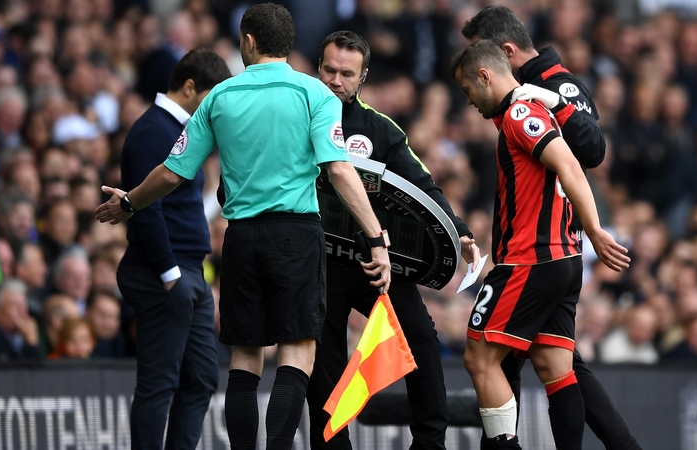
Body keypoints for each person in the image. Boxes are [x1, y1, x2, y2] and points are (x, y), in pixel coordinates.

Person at [95, 4, 392, 450]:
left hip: (241, 239)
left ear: (248, 41)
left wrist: (130, 202)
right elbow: (339, 169)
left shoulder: (219, 97)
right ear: (286, 44)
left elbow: (173, 172)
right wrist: (375, 237)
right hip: (295, 235)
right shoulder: (316, 95)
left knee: (245, 358)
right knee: (297, 350)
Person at [462, 7, 642, 450]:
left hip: (535, 252)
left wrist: (595, 229)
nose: (468, 97)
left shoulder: (541, 95)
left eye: (472, 77)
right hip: (556, 251)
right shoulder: (517, 104)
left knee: (483, 355)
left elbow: (584, 156)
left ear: (497, 60)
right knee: (555, 366)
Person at [305, 31, 480, 450]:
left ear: (362, 77)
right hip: (319, 263)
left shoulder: (381, 130)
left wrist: (461, 230)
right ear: (318, 67)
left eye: (347, 73)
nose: (335, 80)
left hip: (374, 263)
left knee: (420, 337)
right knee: (323, 362)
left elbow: (423, 184)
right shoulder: (298, 116)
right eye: (329, 69)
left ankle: (429, 443)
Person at [115, 48, 232, 450]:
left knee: (201, 378)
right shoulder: (153, 131)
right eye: (212, 97)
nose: (217, 109)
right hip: (164, 273)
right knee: (159, 382)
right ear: (189, 87)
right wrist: (170, 276)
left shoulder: (181, 132)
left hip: (190, 272)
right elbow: (146, 209)